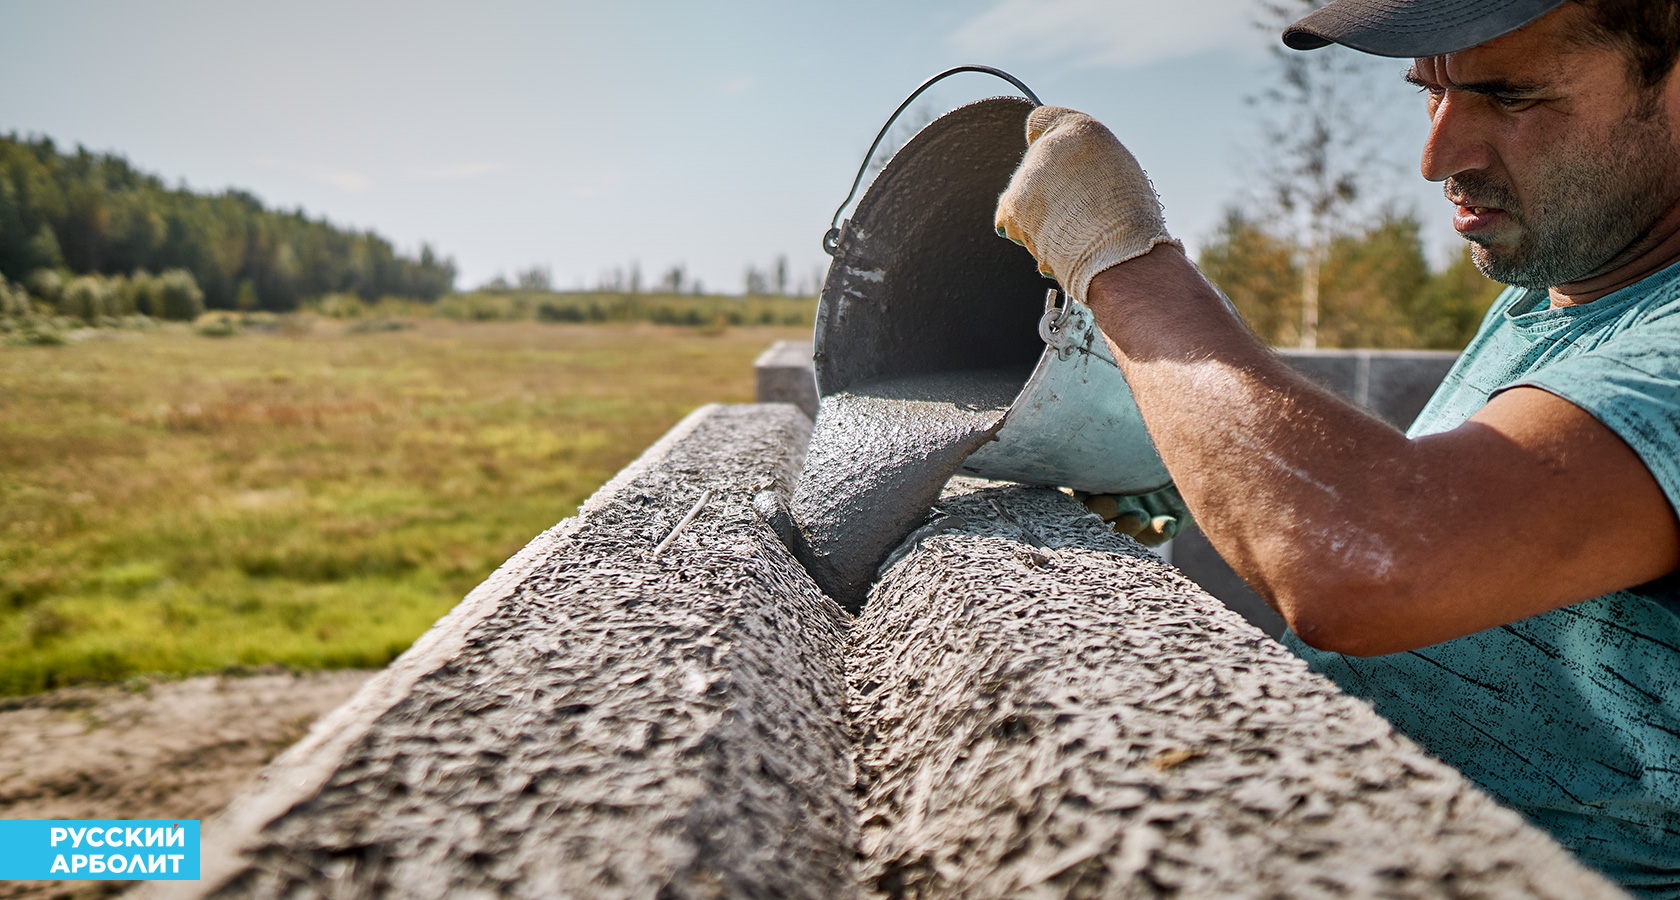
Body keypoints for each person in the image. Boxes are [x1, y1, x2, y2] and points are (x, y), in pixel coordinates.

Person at [993, 0, 1680, 893]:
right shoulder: (1562, 291)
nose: (1438, 159)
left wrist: (1119, 258)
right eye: (1427, 94)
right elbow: (1456, 498)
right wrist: (1198, 459)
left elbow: (1370, 559)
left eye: (1510, 97)